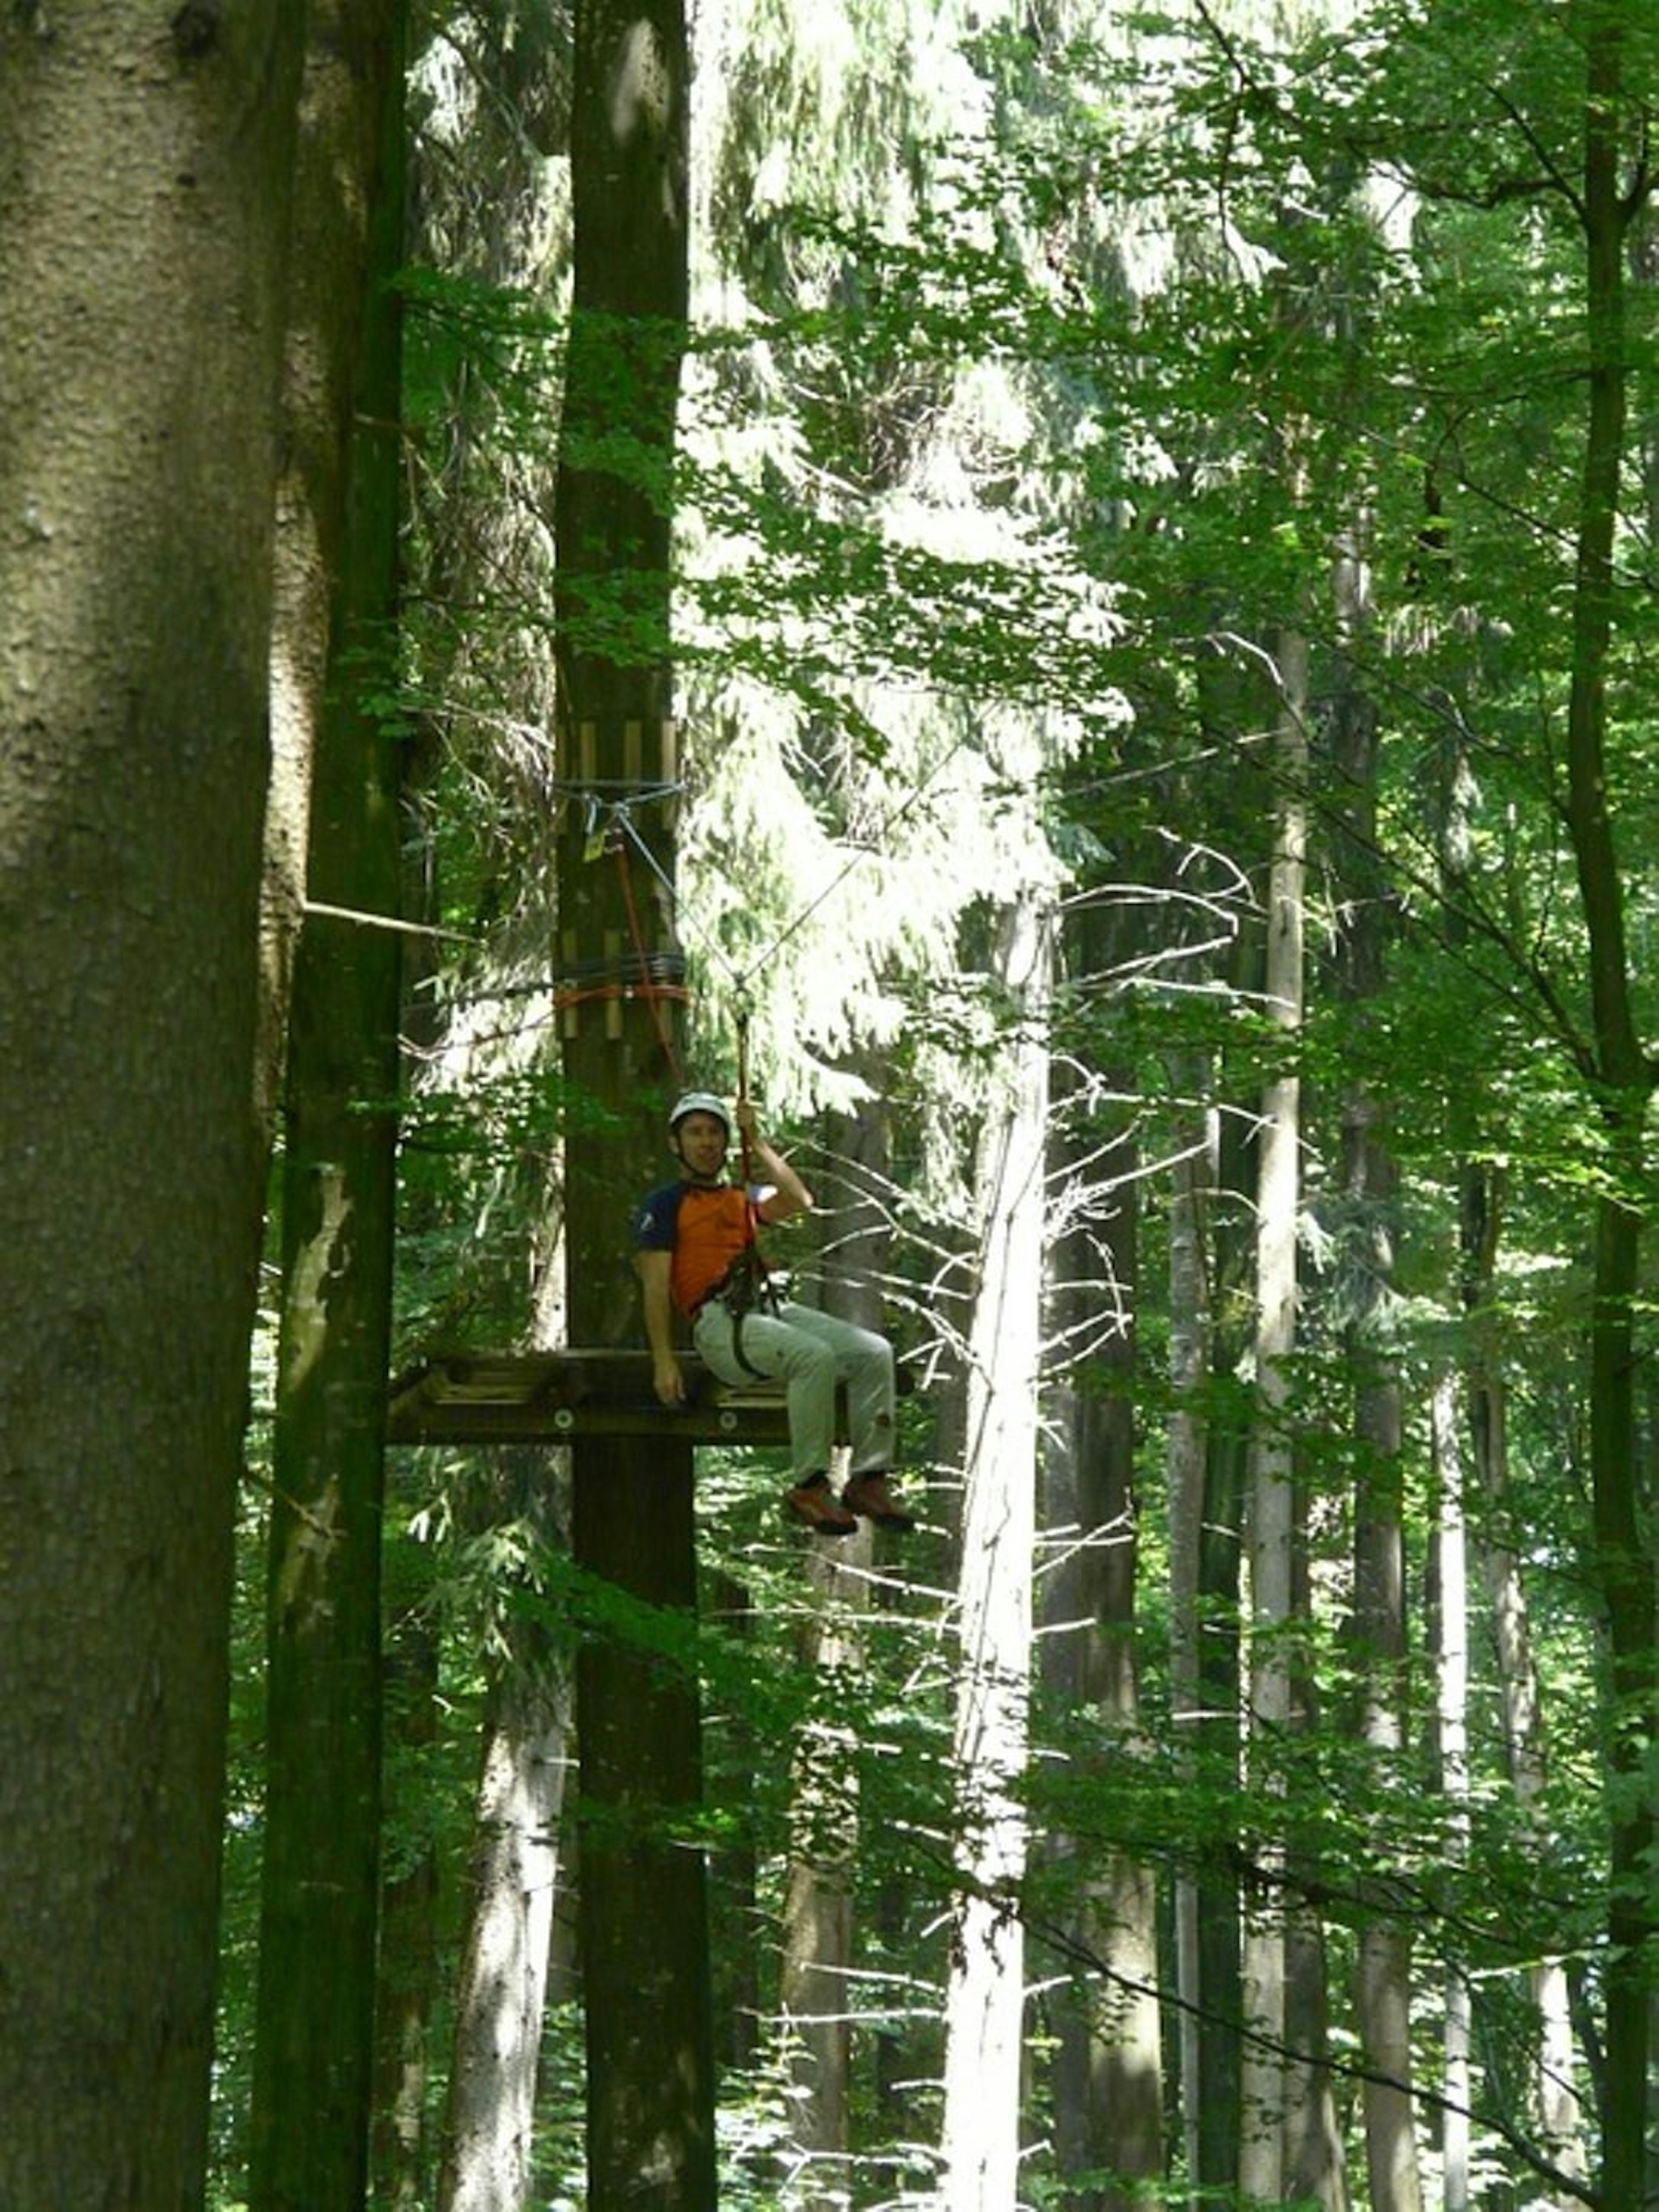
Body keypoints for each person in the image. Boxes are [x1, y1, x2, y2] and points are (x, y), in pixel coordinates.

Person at [634, 1090, 914, 1534]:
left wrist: (757, 1140)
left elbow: (799, 1199)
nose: (706, 1142)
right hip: (718, 1322)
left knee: (874, 1352)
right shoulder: (665, 1204)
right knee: (814, 1357)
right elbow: (654, 1283)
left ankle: (869, 1478)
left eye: (714, 1133)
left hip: (767, 1308)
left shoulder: (740, 1197)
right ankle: (809, 1483)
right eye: (695, 1133)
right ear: (676, 1144)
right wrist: (663, 1360)